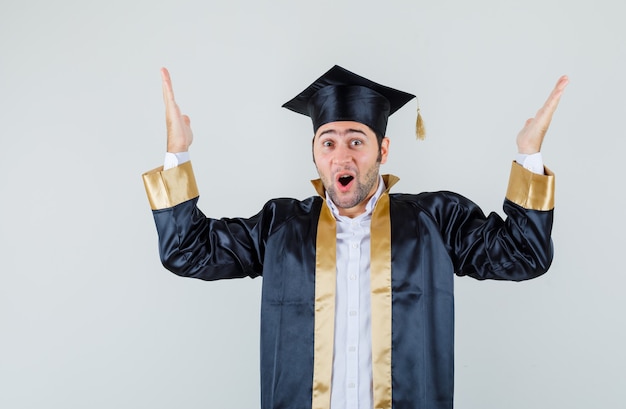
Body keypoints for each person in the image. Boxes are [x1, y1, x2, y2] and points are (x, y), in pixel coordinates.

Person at [142, 65, 568, 409]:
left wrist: (528, 153)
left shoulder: (434, 221)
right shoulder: (281, 227)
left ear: (383, 150)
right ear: (314, 153)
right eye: (327, 142)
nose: (341, 155)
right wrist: (176, 153)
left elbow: (524, 253)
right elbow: (187, 250)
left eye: (356, 141)